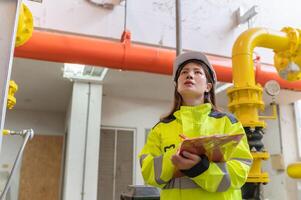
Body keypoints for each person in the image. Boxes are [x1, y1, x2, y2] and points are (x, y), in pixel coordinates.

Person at [139, 51, 253, 199]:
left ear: (208, 86)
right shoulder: (161, 129)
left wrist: (200, 168)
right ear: (177, 86)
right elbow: (148, 172)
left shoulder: (228, 123)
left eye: (197, 72)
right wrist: (174, 158)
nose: (189, 75)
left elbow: (240, 171)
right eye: (184, 72)